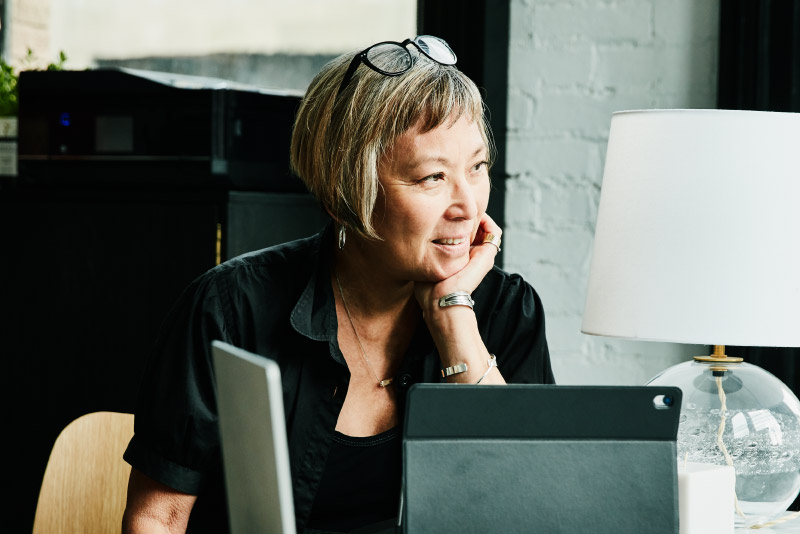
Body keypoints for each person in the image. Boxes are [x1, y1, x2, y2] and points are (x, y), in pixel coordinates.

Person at [122, 35, 553, 534]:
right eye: (432, 177)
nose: (467, 206)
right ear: (347, 190)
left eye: (477, 168)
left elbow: (527, 506)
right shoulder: (228, 309)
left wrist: (453, 313)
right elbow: (158, 518)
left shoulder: (506, 310)